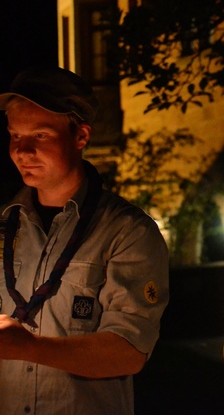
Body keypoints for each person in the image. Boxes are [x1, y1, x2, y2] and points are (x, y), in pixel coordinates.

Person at [0, 66, 169, 414]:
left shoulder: (126, 232)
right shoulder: (4, 226)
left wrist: (27, 347)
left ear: (81, 136)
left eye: (40, 136)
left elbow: (128, 352)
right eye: (15, 136)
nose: (23, 151)